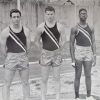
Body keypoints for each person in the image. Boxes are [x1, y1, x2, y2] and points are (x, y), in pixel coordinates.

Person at [34, 6, 65, 100]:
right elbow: (36, 41)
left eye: (51, 14)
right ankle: (43, 98)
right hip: (45, 55)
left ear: (54, 14)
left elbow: (64, 40)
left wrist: (60, 49)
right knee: (44, 79)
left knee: (57, 78)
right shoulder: (41, 27)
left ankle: (57, 98)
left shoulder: (60, 26)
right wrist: (42, 50)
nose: (50, 16)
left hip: (56, 55)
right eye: (48, 14)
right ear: (45, 14)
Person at [0, 9, 31, 100]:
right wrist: (8, 57)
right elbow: (2, 48)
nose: (16, 19)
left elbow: (28, 47)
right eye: (14, 17)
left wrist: (23, 56)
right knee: (7, 83)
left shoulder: (26, 30)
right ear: (11, 18)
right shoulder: (5, 31)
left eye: (18, 17)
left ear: (20, 17)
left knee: (25, 82)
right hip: (10, 58)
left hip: (23, 57)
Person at [70, 8, 96, 100]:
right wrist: (72, 59)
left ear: (87, 15)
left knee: (88, 75)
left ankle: (88, 95)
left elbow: (93, 42)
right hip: (79, 52)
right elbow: (71, 44)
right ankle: (76, 97)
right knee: (78, 75)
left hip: (88, 52)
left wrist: (94, 55)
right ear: (79, 15)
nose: (83, 15)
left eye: (85, 13)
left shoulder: (91, 27)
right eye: (81, 14)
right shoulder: (75, 28)